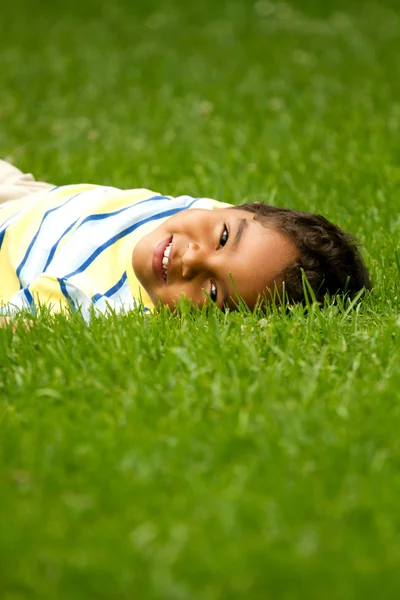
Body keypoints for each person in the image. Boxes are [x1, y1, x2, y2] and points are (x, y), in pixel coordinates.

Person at [0, 159, 371, 322]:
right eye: (223, 238)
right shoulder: (216, 214)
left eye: (212, 292)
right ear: (244, 207)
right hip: (25, 193)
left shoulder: (100, 303)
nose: (193, 259)